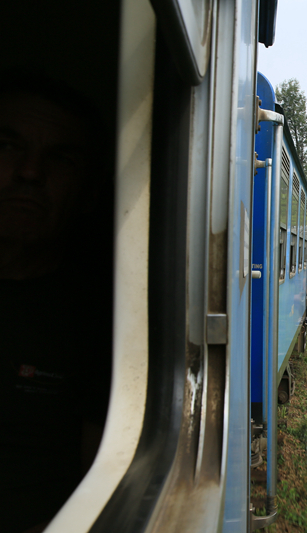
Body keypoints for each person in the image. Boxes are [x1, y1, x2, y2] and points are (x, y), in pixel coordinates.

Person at [0, 75, 113, 533]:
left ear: (89, 194)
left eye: (60, 159)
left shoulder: (106, 325)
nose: (30, 172)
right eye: (8, 146)